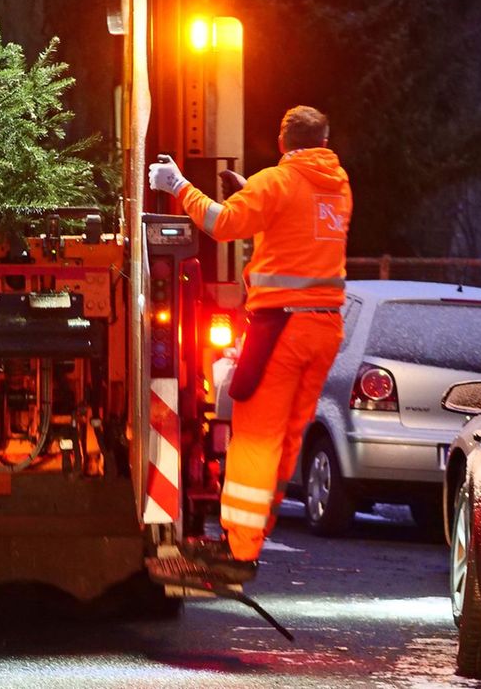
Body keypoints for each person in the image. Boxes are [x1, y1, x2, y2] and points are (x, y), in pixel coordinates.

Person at [148, 105, 352, 582]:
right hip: (324, 330)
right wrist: (249, 193)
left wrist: (178, 185)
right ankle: (254, 537)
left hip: (282, 328)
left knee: (256, 437)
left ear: (282, 143)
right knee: (286, 439)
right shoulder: (338, 186)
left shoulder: (276, 182)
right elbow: (295, 223)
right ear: (324, 143)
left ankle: (239, 551)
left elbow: (221, 224)